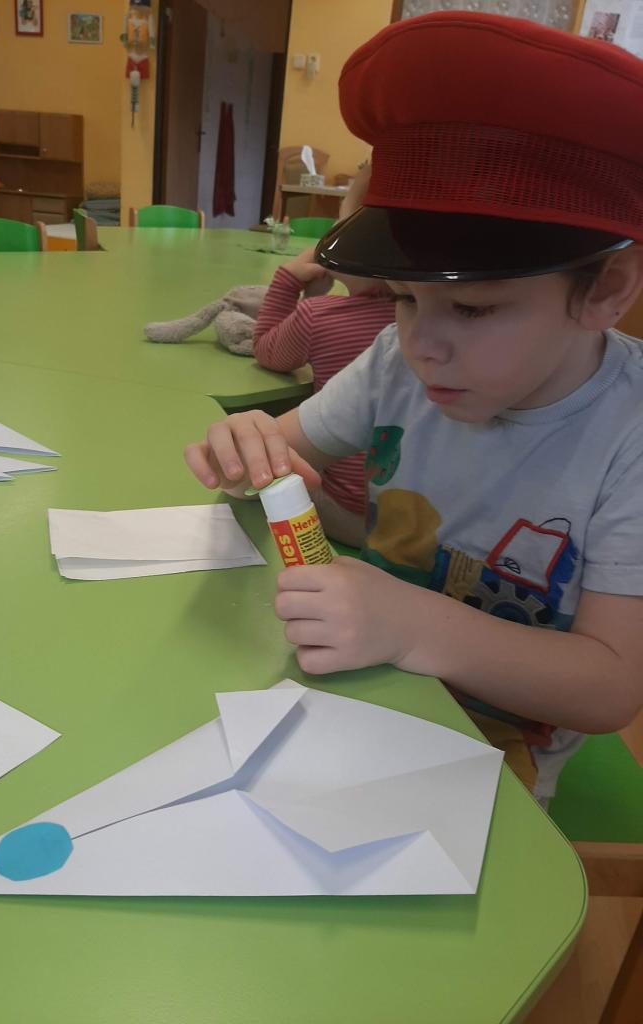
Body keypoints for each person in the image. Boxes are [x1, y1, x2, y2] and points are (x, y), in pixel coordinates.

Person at [184, 12, 643, 804]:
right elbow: (279, 460)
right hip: (359, 681)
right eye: (403, 297)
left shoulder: (627, 434)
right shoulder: (398, 362)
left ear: (605, 290)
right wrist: (246, 448)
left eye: (471, 309)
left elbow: (609, 688)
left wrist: (410, 625)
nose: (422, 344)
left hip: (495, 745)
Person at [252, 233, 396, 545]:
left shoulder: (318, 315)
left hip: (345, 514)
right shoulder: (412, 325)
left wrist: (288, 281)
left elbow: (266, 351)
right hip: (416, 524)